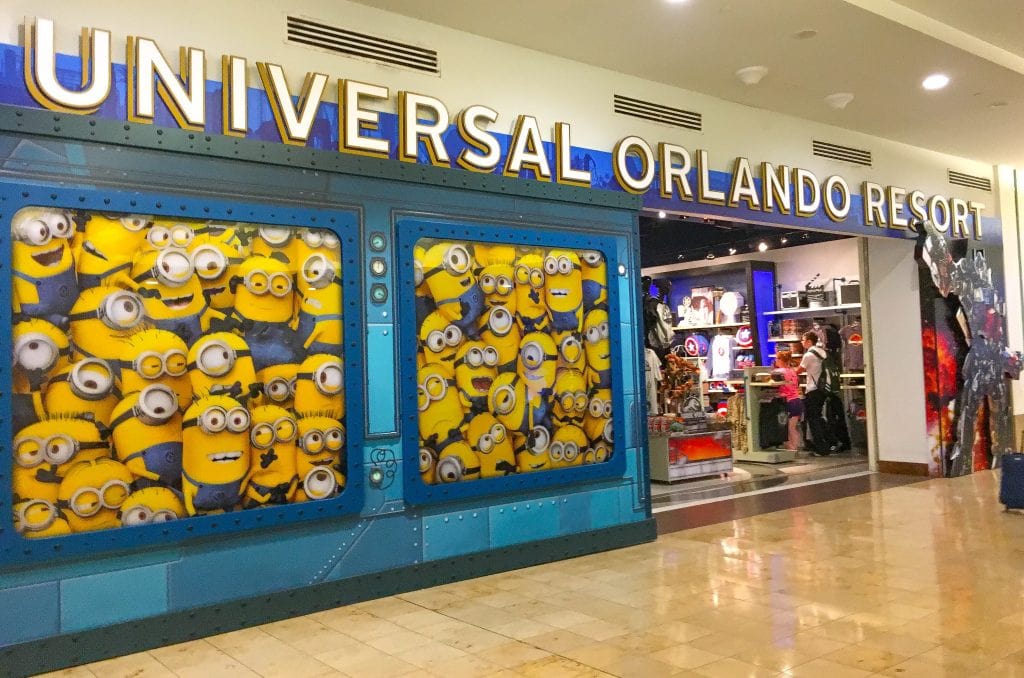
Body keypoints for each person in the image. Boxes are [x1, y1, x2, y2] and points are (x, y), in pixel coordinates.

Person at [797, 330, 839, 456]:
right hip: (823, 388)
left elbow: (798, 371)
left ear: (809, 341)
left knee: (813, 419)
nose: (801, 342)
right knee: (818, 417)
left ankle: (821, 448)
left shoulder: (809, 355)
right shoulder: (822, 352)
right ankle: (832, 441)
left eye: (803, 340)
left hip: (813, 389)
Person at [773, 349, 802, 451]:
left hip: (788, 401)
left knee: (787, 428)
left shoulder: (779, 372)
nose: (775, 360)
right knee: (792, 427)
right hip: (797, 401)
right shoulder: (793, 371)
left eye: (777, 358)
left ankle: (791, 448)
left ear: (781, 360)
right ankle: (794, 447)